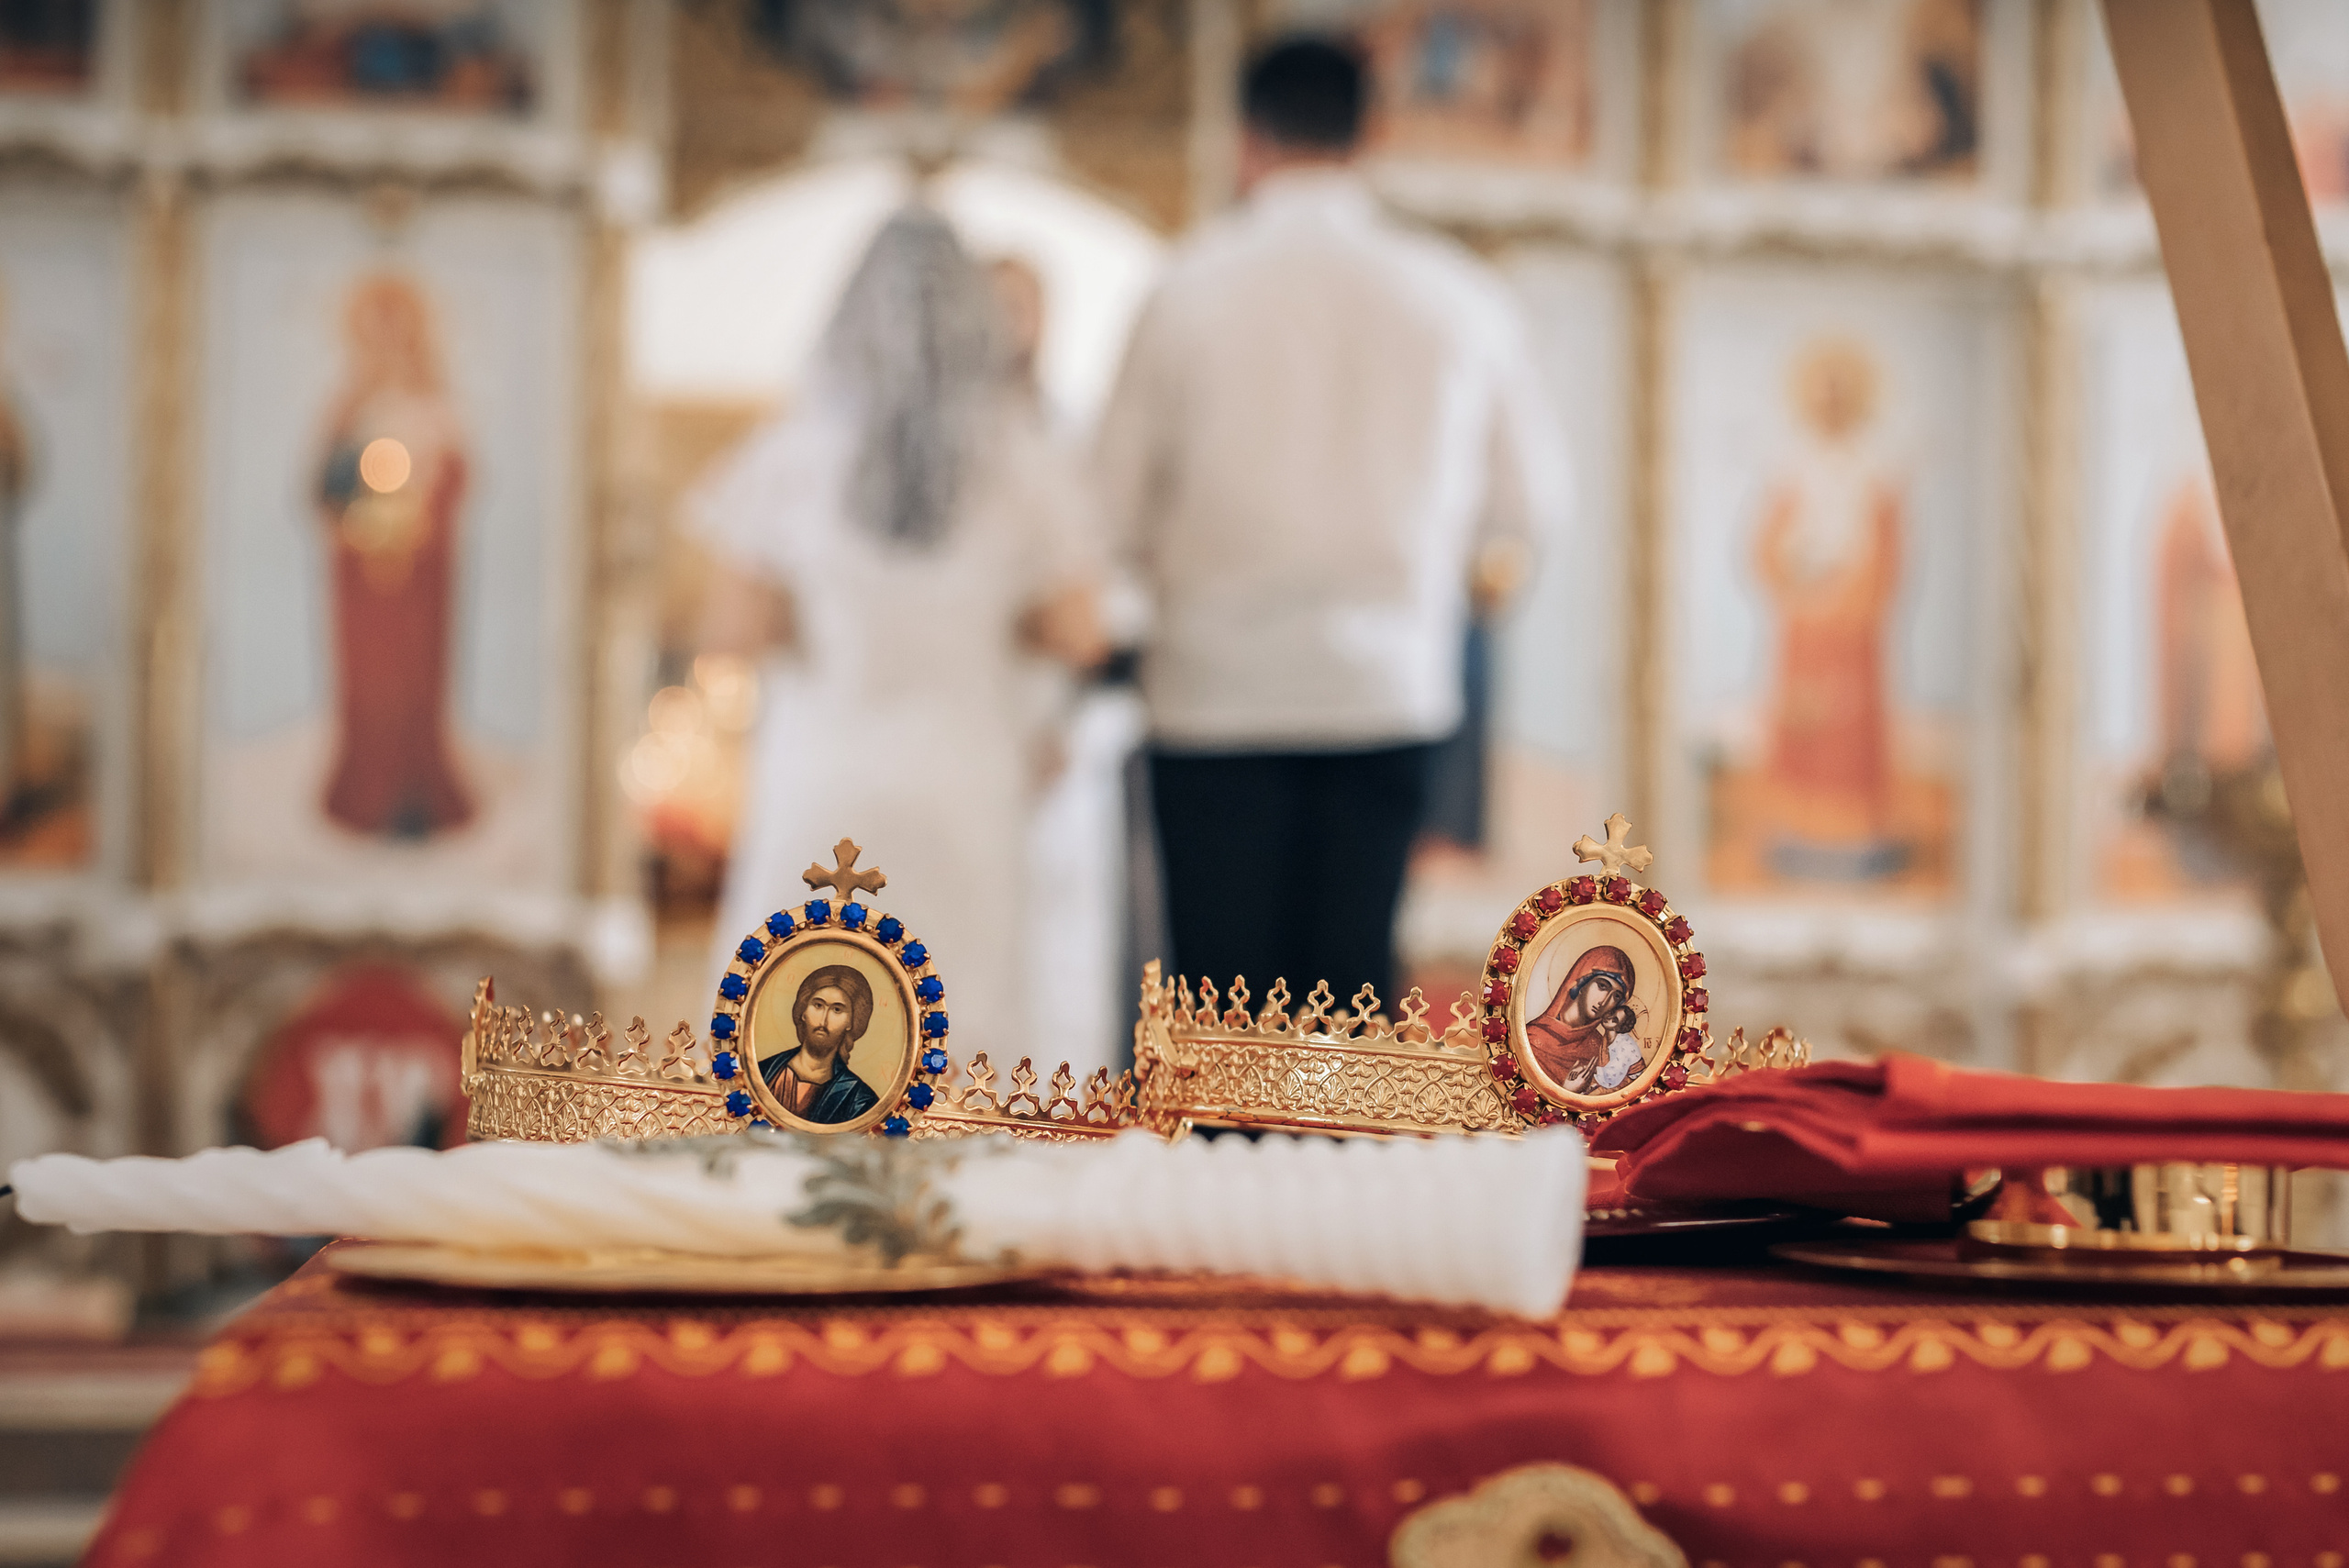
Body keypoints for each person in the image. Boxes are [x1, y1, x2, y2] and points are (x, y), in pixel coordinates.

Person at [1095, 35, 1567, 1009]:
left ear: (1245, 139)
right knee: (1345, 1000)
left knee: (1220, 1016)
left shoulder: (1183, 291)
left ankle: (1226, 1164)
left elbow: (1108, 507)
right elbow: (1530, 508)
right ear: (1373, 134)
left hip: (1212, 693)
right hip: (1383, 687)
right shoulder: (1457, 296)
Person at [696, 207, 1108, 1058]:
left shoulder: (796, 456)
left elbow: (731, 630)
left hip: (827, 777)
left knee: (797, 1036)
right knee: (960, 1044)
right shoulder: (1022, 462)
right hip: (965, 782)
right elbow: (1081, 633)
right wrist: (993, 611)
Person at [314, 273, 475, 840]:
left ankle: (414, 795)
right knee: (368, 678)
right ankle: (366, 793)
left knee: (415, 676)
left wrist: (419, 517)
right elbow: (322, 485)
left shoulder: (434, 403)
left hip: (420, 571)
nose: (386, 343)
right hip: (361, 572)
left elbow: (458, 476)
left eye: (396, 329)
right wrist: (359, 514)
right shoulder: (349, 405)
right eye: (375, 330)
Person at [1753, 336, 1902, 874]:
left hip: (1851, 625)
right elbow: (1767, 544)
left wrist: (1848, 596)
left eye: (1842, 394)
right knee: (1802, 720)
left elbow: (1887, 547)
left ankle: (1854, 836)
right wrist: (1799, 585)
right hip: (1804, 624)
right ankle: (1797, 829)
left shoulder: (1875, 470)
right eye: (1823, 393)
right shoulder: (1793, 468)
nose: (1831, 403)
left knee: (1848, 725)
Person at [759, 964, 883, 1125]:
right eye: (818, 1005)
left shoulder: (859, 1100)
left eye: (837, 1010)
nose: (823, 1020)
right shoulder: (764, 1071)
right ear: (803, 1011)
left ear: (851, 1022)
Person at [1524, 945, 1641, 1095]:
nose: (1605, 1001)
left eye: (1616, 996)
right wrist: (1567, 1092)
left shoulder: (1603, 1048)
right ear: (1581, 982)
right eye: (1602, 986)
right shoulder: (1532, 1039)